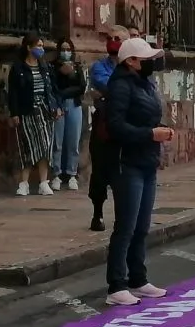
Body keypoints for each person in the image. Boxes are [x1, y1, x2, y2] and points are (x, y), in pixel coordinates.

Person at [104, 37, 172, 305]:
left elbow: (148, 116)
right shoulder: (120, 86)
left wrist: (161, 130)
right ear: (131, 61)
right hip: (127, 163)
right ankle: (116, 285)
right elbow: (116, 126)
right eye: (145, 59)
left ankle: (138, 278)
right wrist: (150, 134)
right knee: (126, 226)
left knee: (142, 226)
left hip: (146, 161)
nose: (151, 63)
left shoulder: (145, 83)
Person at [7, 34, 61, 196]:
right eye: (38, 46)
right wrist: (14, 113)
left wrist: (56, 106)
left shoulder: (45, 68)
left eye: (42, 46)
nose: (41, 49)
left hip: (44, 110)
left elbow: (53, 89)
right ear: (28, 47)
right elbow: (13, 93)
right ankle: (24, 183)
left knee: (45, 145)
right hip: (27, 111)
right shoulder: (18, 68)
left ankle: (44, 182)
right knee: (28, 145)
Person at [88, 25, 129, 231]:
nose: (113, 41)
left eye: (118, 38)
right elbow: (107, 85)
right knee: (100, 172)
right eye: (111, 38)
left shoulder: (134, 67)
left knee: (123, 174)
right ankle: (98, 213)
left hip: (125, 127)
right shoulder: (99, 67)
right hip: (103, 127)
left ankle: (123, 215)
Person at [49, 38, 87, 191]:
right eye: (63, 49)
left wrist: (66, 90)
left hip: (74, 105)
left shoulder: (77, 67)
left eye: (68, 49)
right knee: (57, 142)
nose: (66, 52)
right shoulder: (53, 68)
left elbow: (81, 87)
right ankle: (56, 174)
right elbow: (53, 88)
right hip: (58, 105)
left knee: (73, 141)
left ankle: (72, 174)